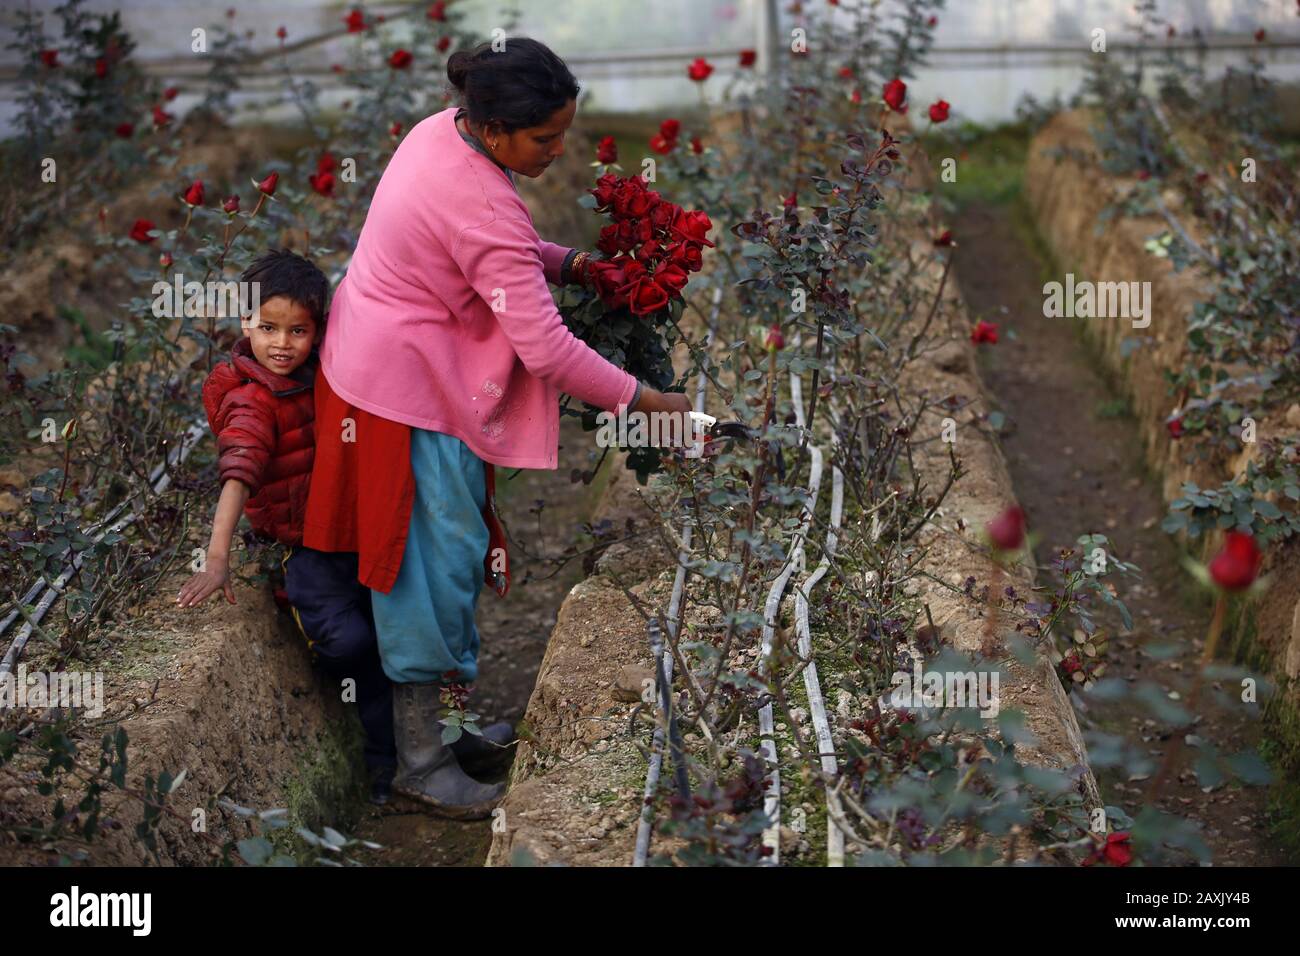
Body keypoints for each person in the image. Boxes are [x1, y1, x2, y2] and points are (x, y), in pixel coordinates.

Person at [303, 37, 693, 819]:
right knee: (426, 569)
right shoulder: (481, 199)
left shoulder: (437, 129)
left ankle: (441, 732)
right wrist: (649, 403)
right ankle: (418, 762)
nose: (557, 150)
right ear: (494, 129)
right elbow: (545, 347)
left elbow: (496, 248)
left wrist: (570, 263)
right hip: (397, 393)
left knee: (448, 555)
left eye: (563, 133)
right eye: (545, 138)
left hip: (388, 355)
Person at [176, 249, 398, 805]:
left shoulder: (322, 374)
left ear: (318, 330)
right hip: (301, 553)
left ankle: (421, 748)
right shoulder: (253, 401)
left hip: (346, 535)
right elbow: (239, 473)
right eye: (267, 327)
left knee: (397, 636)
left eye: (297, 330)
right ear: (243, 322)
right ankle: (380, 767)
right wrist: (218, 555)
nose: (281, 343)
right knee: (353, 646)